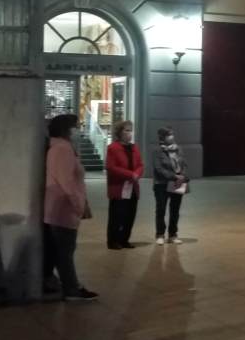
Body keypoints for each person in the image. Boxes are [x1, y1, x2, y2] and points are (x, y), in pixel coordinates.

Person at [43, 114, 97, 301]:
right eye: (76, 126)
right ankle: (72, 289)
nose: (78, 130)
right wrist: (79, 204)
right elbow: (66, 182)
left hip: (62, 208)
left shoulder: (63, 148)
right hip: (63, 209)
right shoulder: (62, 149)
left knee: (62, 250)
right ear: (66, 129)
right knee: (65, 251)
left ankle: (67, 285)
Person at [105, 120, 144, 251]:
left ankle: (124, 239)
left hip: (133, 187)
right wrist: (130, 174)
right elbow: (111, 167)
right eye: (126, 130)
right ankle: (113, 241)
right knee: (117, 215)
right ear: (119, 132)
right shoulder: (113, 148)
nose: (129, 133)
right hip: (119, 187)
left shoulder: (134, 147)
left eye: (131, 130)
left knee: (130, 215)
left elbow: (140, 165)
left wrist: (137, 174)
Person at [153, 127, 188, 246]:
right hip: (162, 184)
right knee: (161, 210)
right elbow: (158, 169)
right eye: (169, 135)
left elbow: (184, 164)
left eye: (172, 134)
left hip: (177, 183)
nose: (172, 136)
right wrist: (174, 176)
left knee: (175, 210)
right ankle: (160, 234)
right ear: (163, 137)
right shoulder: (158, 151)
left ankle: (173, 235)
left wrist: (182, 175)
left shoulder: (178, 149)